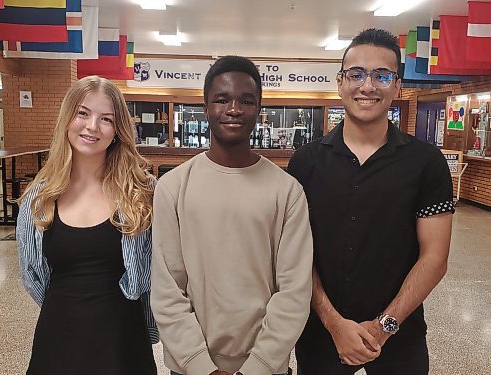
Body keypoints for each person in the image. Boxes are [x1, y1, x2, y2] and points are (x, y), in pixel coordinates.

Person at [288, 29, 454, 375]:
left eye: (382, 75)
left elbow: (435, 258)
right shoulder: (305, 162)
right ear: (340, 82)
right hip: (320, 333)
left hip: (400, 334)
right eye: (357, 74)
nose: (368, 86)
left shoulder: (425, 163)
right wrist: (335, 324)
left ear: (397, 87)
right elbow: (295, 255)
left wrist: (383, 327)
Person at [150, 55, 313, 375]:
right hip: (191, 367)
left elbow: (294, 290)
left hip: (266, 367)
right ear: (205, 106)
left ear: (259, 108)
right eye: (222, 99)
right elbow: (167, 288)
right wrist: (201, 366)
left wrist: (258, 366)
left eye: (246, 100)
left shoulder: (287, 191)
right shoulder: (172, 188)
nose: (234, 109)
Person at [17, 76, 158, 375]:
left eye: (106, 118)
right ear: (67, 118)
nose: (92, 126)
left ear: (117, 130)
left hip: (123, 340)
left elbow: (156, 271)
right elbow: (33, 274)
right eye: (83, 113)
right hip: (59, 339)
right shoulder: (39, 198)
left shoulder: (142, 193)